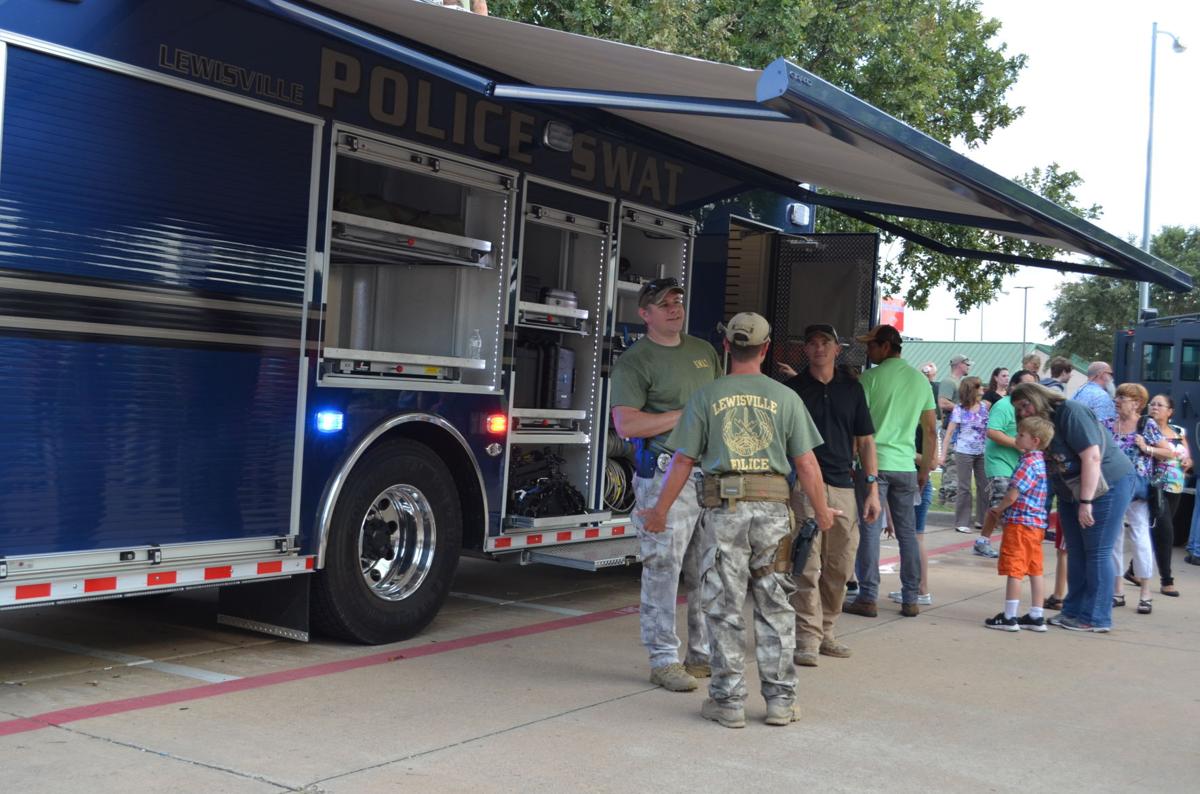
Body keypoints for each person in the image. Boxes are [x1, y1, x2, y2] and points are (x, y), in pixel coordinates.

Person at [640, 312, 837, 729]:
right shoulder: (786, 398)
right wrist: (820, 512)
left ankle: (728, 701)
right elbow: (807, 464)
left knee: (724, 607)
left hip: (723, 513)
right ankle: (781, 702)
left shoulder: (706, 397)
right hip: (772, 515)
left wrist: (659, 512)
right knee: (774, 605)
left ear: (727, 347)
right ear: (766, 350)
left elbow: (682, 461)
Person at [610, 277, 720, 692]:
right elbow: (627, 423)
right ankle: (663, 659)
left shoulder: (704, 352)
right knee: (663, 567)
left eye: (677, 301)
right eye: (664, 304)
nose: (675, 308)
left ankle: (702, 655)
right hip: (661, 475)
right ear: (645, 314)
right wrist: (686, 413)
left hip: (707, 474)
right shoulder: (636, 361)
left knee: (708, 567)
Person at [783, 324, 881, 666]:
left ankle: (828, 631)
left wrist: (872, 490)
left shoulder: (852, 389)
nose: (819, 348)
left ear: (837, 349)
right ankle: (806, 638)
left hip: (843, 485)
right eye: (812, 343)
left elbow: (866, 441)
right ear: (805, 350)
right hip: (804, 487)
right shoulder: (793, 389)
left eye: (825, 342)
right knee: (806, 565)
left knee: (839, 565)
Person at [1009, 383, 1134, 632]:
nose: (1023, 412)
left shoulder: (1070, 412)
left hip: (1106, 484)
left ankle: (1095, 618)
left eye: (1025, 405)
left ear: (1037, 398)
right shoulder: (1040, 425)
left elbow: (1092, 457)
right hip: (1070, 490)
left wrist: (1086, 502)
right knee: (1075, 549)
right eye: (1018, 409)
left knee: (1097, 551)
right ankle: (1073, 611)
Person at [843, 325, 937, 618]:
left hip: (873, 465)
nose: (868, 351)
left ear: (886, 346)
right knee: (908, 533)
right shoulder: (920, 381)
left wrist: (852, 459)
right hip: (906, 466)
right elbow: (931, 429)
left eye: (871, 346)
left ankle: (868, 597)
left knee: (869, 530)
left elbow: (860, 428)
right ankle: (910, 597)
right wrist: (924, 468)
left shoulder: (869, 379)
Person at [983, 416, 1055, 632]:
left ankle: (1009, 615)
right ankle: (1036, 614)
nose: (1016, 437)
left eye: (1021, 434)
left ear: (1034, 440)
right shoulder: (1042, 462)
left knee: (1015, 567)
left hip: (1020, 523)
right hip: (1036, 524)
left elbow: (1013, 493)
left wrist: (999, 508)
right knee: (1035, 568)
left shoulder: (1027, 463)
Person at [1105, 383, 1167, 615]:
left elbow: (1168, 452)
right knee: (1114, 538)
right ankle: (1117, 591)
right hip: (1112, 487)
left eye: (1123, 397)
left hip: (1137, 489)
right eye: (1117, 396)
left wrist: (1146, 448)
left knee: (1140, 536)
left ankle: (1145, 592)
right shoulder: (1109, 425)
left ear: (1137, 403)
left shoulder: (1146, 424)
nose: (1117, 400)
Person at [979, 369, 1040, 559]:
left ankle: (983, 540)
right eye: (1026, 384)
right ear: (1014, 386)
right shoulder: (1004, 406)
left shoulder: (1029, 408)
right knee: (1003, 503)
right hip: (1000, 462)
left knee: (1004, 505)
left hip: (1019, 464)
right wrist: (1017, 444)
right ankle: (1010, 546)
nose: (1030, 389)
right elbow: (992, 431)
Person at [1135, 394, 1189, 597]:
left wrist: (1188, 463)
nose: (1155, 407)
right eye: (1153, 404)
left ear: (1170, 411)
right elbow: (1147, 452)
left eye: (1160, 404)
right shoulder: (1145, 428)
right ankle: (1167, 580)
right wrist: (1149, 449)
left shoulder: (1178, 431)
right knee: (1166, 531)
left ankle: (1134, 570)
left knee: (1156, 530)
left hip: (1176, 486)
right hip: (1155, 485)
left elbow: (1186, 456)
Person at [940, 376, 990, 534]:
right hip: (964, 451)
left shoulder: (983, 407)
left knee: (984, 486)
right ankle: (962, 521)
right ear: (971, 390)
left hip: (982, 451)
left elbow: (988, 430)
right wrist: (942, 455)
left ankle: (982, 520)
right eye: (979, 386)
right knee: (964, 487)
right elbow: (949, 433)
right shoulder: (959, 409)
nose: (982, 389)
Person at [937, 354, 972, 505]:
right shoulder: (949, 382)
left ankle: (945, 496)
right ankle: (951, 497)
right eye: (967, 364)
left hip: (957, 429)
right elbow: (943, 403)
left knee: (953, 462)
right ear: (960, 364)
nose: (969, 367)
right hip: (951, 429)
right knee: (953, 462)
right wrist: (964, 409)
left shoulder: (957, 382)